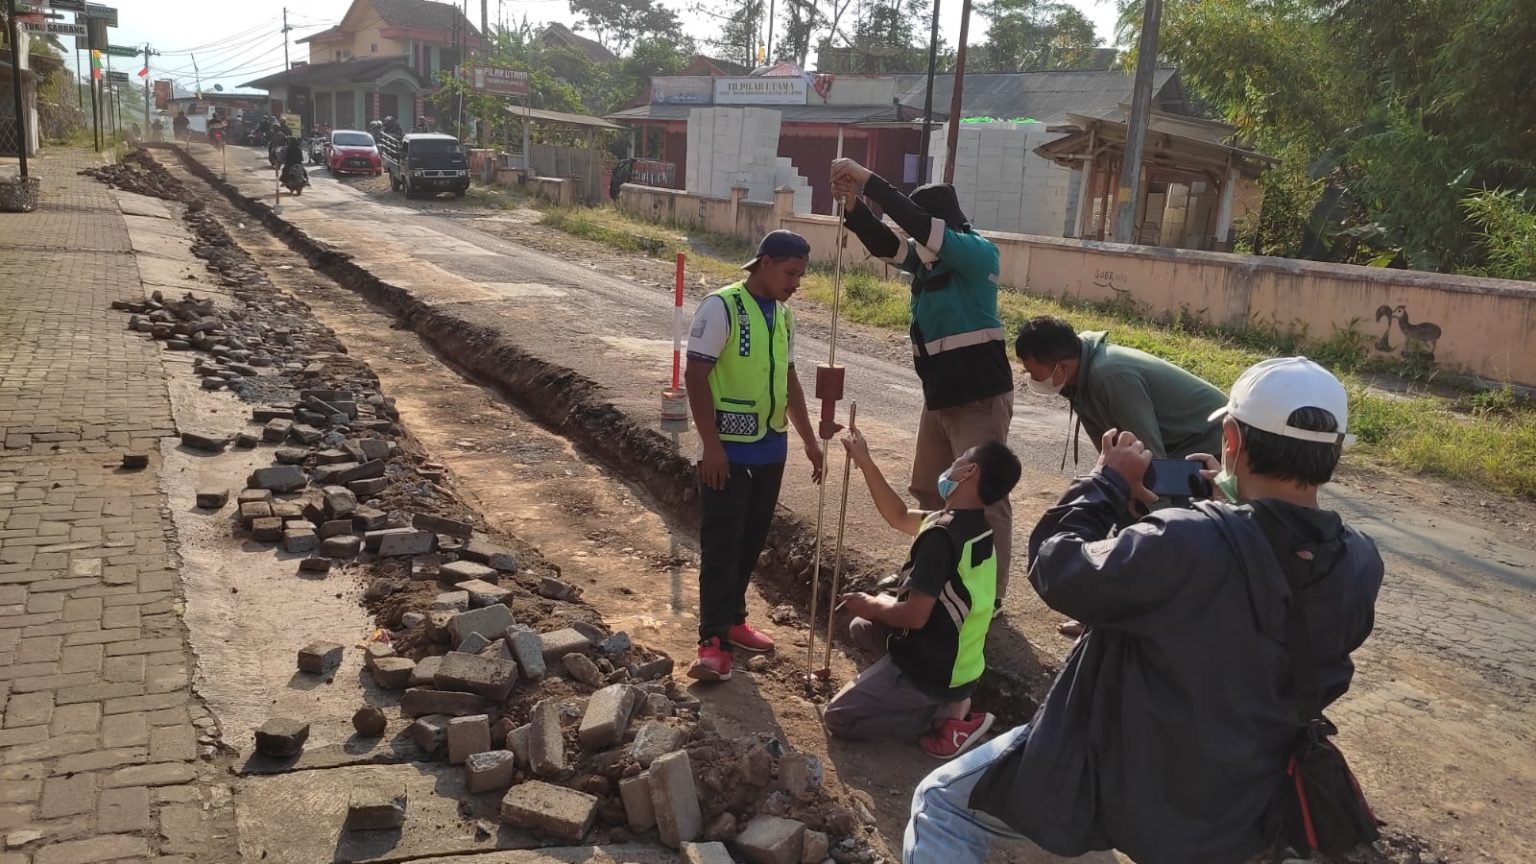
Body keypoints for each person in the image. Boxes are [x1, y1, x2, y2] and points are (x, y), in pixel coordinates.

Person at [903, 357, 1383, 864]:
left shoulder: (1187, 540)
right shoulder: (1360, 561)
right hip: (1248, 796)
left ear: (1234, 441)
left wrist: (1105, 484)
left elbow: (1055, 564)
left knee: (940, 804)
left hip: (1136, 777)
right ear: (1332, 455)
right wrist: (1234, 506)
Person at [829, 158, 1016, 608]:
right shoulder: (928, 266)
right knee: (931, 490)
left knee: (984, 501)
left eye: (923, 231)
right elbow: (885, 243)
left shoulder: (976, 253)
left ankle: (987, 597)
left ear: (944, 228)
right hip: (940, 398)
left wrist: (870, 179)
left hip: (978, 398)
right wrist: (854, 207)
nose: (914, 241)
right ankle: (933, 572)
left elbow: (912, 224)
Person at [1015, 314, 1230, 635]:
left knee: (1161, 532)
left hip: (1202, 445)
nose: (1030, 376)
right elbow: (1115, 446)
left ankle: (1151, 621)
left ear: (1060, 365)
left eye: (1034, 369)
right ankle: (1105, 616)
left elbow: (1150, 453)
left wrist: (1151, 510)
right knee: (1123, 511)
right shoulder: (1079, 377)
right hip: (1166, 448)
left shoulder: (1110, 377)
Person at [823, 428, 1021, 759]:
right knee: (860, 627)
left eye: (961, 458)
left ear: (969, 471)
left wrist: (873, 604)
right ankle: (944, 699)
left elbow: (915, 616)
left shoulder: (941, 540)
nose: (953, 463)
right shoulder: (973, 527)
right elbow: (898, 515)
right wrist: (865, 461)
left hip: (933, 668)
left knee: (838, 718)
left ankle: (940, 718)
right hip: (959, 662)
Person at [685, 229, 824, 681]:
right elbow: (696, 377)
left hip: (770, 449)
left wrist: (808, 440)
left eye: (800, 275)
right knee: (721, 543)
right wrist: (711, 446)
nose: (795, 283)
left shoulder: (784, 317)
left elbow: (790, 381)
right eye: (790, 273)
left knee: (751, 541)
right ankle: (712, 640)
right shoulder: (721, 307)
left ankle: (734, 620)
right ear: (765, 263)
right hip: (726, 452)